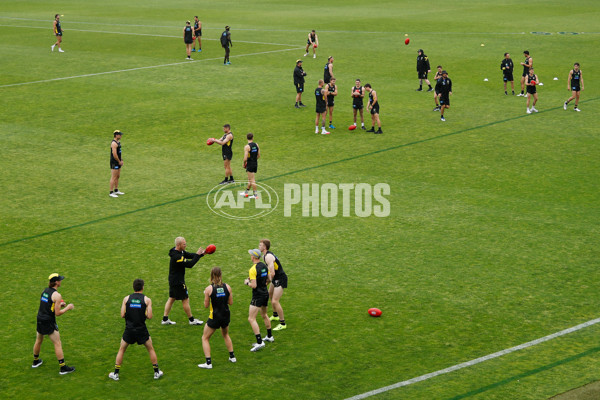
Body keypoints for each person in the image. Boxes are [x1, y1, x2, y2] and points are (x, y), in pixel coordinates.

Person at [109, 279, 163, 381]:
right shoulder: (147, 300)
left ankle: (115, 374)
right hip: (141, 329)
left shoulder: (126, 299)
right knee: (150, 349)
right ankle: (156, 372)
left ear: (133, 287)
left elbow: (122, 315)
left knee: (122, 350)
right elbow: (150, 316)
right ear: (142, 287)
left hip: (129, 329)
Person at [32, 273, 75, 375]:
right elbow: (57, 313)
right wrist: (67, 307)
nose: (61, 281)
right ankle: (63, 368)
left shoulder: (45, 291)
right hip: (49, 321)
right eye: (59, 280)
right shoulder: (57, 295)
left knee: (38, 340)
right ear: (56, 282)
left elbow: (47, 303)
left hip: (40, 318)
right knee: (57, 343)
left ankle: (35, 361)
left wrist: (58, 304)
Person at [198, 267, 236, 369]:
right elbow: (230, 303)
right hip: (225, 315)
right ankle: (232, 357)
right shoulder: (227, 287)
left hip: (215, 317)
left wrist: (206, 295)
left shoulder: (208, 289)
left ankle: (208, 363)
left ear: (211, 276)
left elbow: (206, 305)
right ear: (221, 275)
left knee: (205, 338)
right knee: (226, 335)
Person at [162, 237, 205, 325]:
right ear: (179, 245)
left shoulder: (179, 251)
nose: (185, 245)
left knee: (171, 298)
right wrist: (197, 256)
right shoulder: (177, 257)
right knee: (185, 299)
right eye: (184, 244)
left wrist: (201, 254)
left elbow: (189, 255)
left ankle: (165, 319)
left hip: (173, 280)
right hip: (178, 282)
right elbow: (190, 264)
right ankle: (192, 320)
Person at [244, 249, 274, 351]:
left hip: (257, 296)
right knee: (264, 314)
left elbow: (254, 285)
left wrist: (247, 282)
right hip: (265, 293)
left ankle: (259, 342)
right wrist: (263, 285)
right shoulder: (264, 266)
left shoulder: (252, 269)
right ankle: (269, 336)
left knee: (251, 318)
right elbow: (269, 279)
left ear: (253, 257)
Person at [259, 239, 288, 331]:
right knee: (270, 294)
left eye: (260, 245)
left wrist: (265, 282)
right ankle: (275, 315)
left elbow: (272, 273)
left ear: (265, 247)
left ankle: (282, 323)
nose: (259, 246)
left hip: (280, 278)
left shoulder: (268, 257)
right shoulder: (265, 255)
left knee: (275, 301)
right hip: (276, 278)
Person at [242, 133, 260, 199]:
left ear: (247, 138)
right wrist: (254, 160)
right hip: (255, 163)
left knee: (252, 180)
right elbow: (258, 155)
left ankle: (255, 195)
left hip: (250, 164)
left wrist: (244, 164)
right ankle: (246, 192)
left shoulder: (247, 147)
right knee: (250, 179)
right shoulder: (256, 145)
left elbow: (245, 158)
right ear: (252, 138)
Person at [110, 130, 124, 198]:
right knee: (113, 177)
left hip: (118, 161)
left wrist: (121, 160)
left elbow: (119, 153)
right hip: (114, 162)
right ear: (116, 135)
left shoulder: (118, 142)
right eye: (120, 134)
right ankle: (111, 192)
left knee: (118, 176)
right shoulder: (114, 143)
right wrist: (119, 161)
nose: (121, 136)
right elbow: (115, 155)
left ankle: (116, 190)